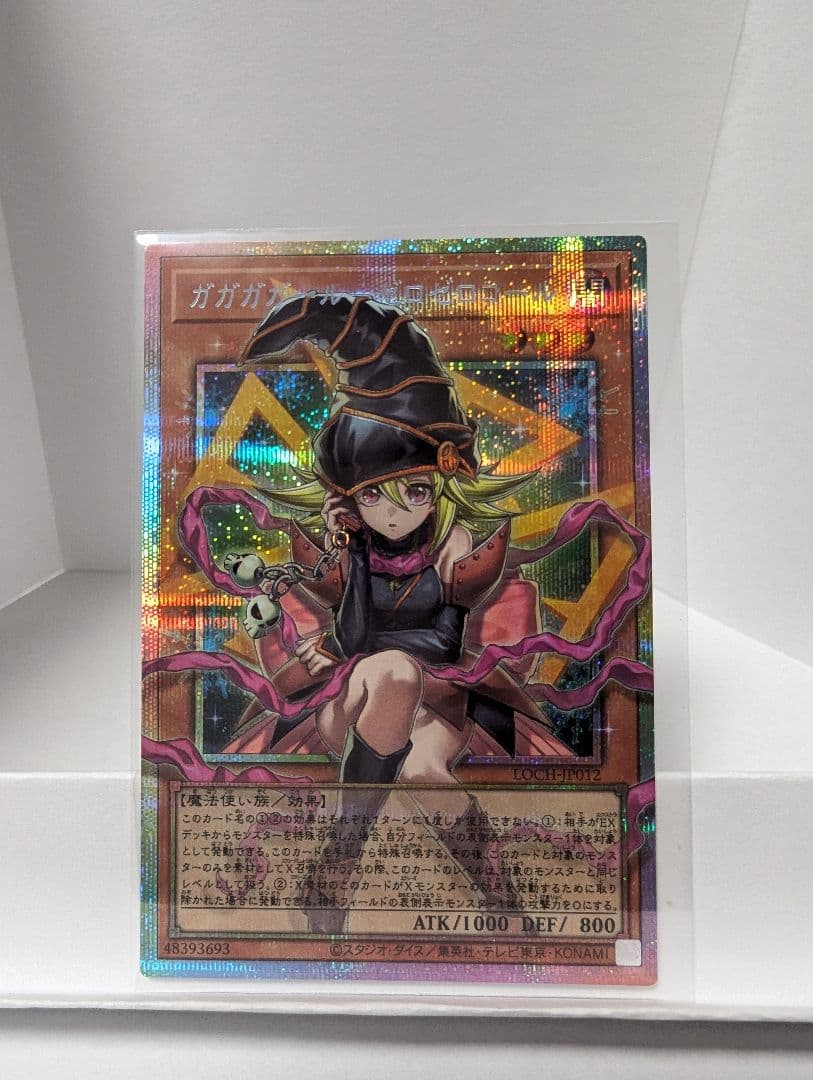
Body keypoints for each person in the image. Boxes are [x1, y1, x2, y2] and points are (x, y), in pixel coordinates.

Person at [230, 292, 570, 931]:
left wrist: (370, 639)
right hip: (355, 700)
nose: (395, 512)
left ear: (438, 483)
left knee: (426, 772)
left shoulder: (456, 554)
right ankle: (341, 865)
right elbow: (357, 636)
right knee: (391, 670)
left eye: (414, 490)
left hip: (435, 699)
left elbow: (444, 644)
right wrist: (354, 555)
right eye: (374, 498)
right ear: (350, 500)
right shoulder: (353, 553)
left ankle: (504, 906)